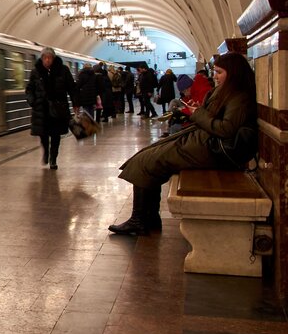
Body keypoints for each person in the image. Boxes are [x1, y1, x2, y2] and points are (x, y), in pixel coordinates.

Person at [108, 53, 257, 236]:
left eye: (219, 72)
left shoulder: (238, 96)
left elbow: (226, 129)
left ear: (233, 73)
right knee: (147, 156)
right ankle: (148, 217)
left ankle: (140, 220)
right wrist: (198, 111)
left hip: (212, 148)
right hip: (205, 142)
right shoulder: (229, 91)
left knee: (147, 160)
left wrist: (197, 113)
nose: (214, 76)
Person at [26, 47, 76, 170]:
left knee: (55, 135)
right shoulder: (35, 72)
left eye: (50, 58)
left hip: (58, 109)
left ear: (53, 59)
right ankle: (46, 152)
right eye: (45, 58)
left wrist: (76, 103)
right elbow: (29, 89)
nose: (47, 60)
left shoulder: (63, 70)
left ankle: (53, 158)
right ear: (42, 58)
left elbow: (72, 87)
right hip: (41, 109)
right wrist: (32, 101)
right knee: (43, 135)